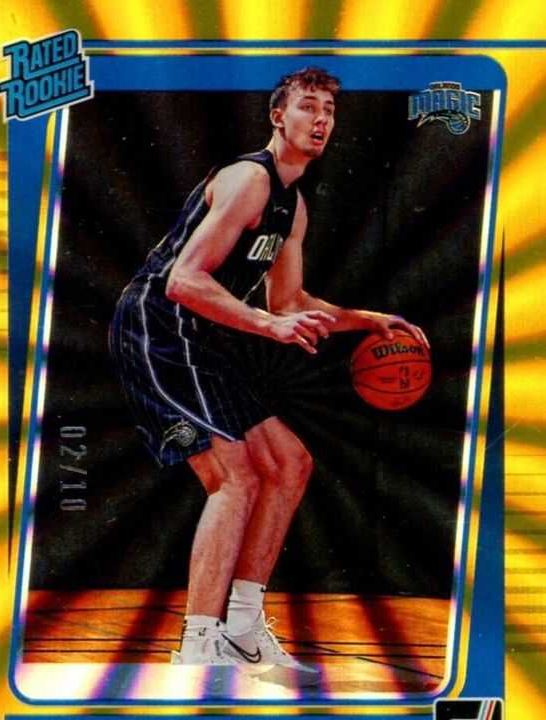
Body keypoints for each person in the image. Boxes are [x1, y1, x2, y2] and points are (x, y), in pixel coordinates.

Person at [109, 67, 428, 686]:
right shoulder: (249, 180)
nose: (321, 119)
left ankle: (242, 627)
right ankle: (198, 645)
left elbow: (289, 301)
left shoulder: (292, 206)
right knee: (237, 476)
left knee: (289, 462)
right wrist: (266, 325)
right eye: (308, 106)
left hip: (197, 335)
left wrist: (368, 321)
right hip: (156, 328)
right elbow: (184, 281)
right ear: (278, 117)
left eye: (329, 110)